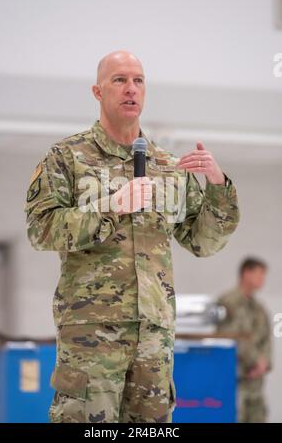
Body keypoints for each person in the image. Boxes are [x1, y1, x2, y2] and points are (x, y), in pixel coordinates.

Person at [24, 50, 240, 423]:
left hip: (153, 335)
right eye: (119, 80)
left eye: (138, 81)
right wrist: (109, 208)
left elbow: (204, 242)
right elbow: (41, 229)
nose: (131, 89)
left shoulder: (169, 167)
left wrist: (218, 187)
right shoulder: (68, 157)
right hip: (91, 331)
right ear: (97, 91)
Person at [216, 257, 272, 423]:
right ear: (246, 273)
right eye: (260, 274)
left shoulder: (259, 308)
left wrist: (264, 363)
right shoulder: (228, 302)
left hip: (255, 383)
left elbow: (266, 339)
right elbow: (230, 336)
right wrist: (254, 361)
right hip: (236, 379)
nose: (263, 280)